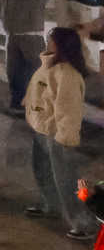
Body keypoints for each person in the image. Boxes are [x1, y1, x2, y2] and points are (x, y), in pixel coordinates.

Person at [22, 27, 90, 239]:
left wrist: (65, 137)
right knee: (43, 171)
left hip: (57, 135)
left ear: (62, 46)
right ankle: (49, 204)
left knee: (66, 179)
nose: (48, 42)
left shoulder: (67, 75)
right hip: (41, 128)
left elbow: (68, 110)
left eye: (51, 40)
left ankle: (83, 223)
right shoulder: (48, 65)